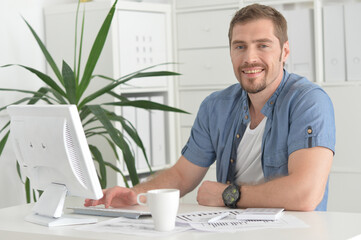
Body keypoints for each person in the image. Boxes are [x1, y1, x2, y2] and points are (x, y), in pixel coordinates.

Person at [85, 4, 335, 211]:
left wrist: (229, 195)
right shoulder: (216, 106)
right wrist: (134, 193)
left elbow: (306, 193)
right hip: (231, 230)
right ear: (230, 52)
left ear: (285, 51)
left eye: (263, 45)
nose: (249, 58)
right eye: (240, 46)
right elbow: (182, 175)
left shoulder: (308, 101)